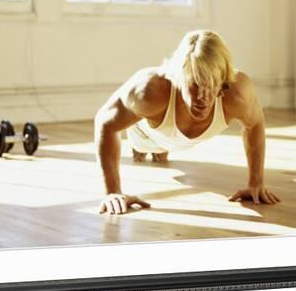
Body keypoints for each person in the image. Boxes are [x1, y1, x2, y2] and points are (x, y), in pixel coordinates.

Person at [94, 29, 281, 215]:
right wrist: (112, 192)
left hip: (174, 134)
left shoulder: (238, 94)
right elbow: (105, 122)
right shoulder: (149, 92)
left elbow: (254, 124)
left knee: (166, 149)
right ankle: (149, 145)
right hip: (145, 134)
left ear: (223, 83)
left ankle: (163, 146)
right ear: (178, 78)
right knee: (145, 148)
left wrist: (256, 183)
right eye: (195, 84)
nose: (203, 97)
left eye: (211, 84)